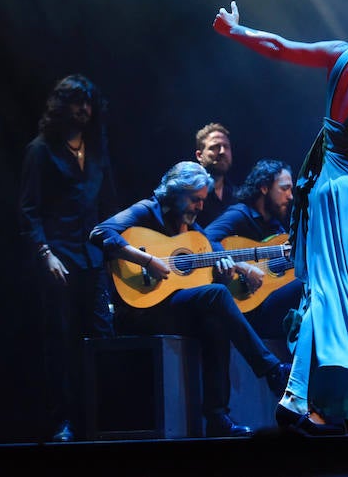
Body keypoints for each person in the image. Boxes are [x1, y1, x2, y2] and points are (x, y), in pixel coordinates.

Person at [213, 0, 348, 435]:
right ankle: (298, 403)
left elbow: (280, 46)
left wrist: (234, 30)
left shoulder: (341, 54)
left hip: (325, 189)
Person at [89, 161, 291, 437]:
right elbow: (100, 232)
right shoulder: (146, 211)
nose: (200, 207)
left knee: (215, 321)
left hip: (170, 308)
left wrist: (232, 269)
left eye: (203, 201)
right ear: (175, 193)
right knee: (216, 297)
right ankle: (271, 370)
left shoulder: (191, 229)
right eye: (195, 200)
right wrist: (147, 260)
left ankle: (217, 418)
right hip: (139, 311)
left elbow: (212, 251)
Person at [18, 73, 119, 442]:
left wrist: (116, 253)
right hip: (58, 258)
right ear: (62, 106)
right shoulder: (41, 149)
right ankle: (61, 422)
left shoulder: (97, 153)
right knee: (59, 344)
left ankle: (102, 418)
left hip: (93, 260)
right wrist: (45, 254)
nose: (83, 109)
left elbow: (110, 206)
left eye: (88, 103)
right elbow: (28, 211)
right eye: (77, 102)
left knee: (102, 338)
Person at [203, 158, 304, 340]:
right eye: (284, 188)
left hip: (267, 306)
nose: (290, 196)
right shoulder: (239, 214)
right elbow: (204, 240)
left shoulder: (277, 229)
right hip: (242, 309)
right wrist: (243, 267)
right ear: (264, 188)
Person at [194, 122, 237, 226]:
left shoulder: (237, 195)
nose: (222, 152)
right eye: (215, 147)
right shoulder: (189, 192)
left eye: (226, 147)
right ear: (199, 155)